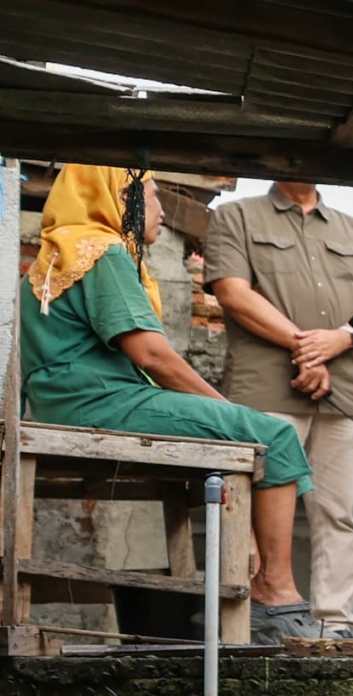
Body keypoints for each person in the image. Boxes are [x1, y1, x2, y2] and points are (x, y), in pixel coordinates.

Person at [20, 166, 318, 641]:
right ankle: (275, 591)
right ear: (124, 197)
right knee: (273, 435)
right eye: (154, 196)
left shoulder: (58, 251)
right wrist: (234, 414)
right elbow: (153, 355)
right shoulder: (103, 250)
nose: (160, 208)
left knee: (253, 436)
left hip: (65, 405)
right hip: (105, 404)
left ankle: (258, 579)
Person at [202, 179, 353, 639]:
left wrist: (340, 338)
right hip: (266, 388)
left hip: (348, 389)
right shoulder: (236, 216)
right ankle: (246, 623)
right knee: (250, 507)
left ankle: (334, 627)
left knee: (340, 513)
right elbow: (233, 293)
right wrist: (306, 349)